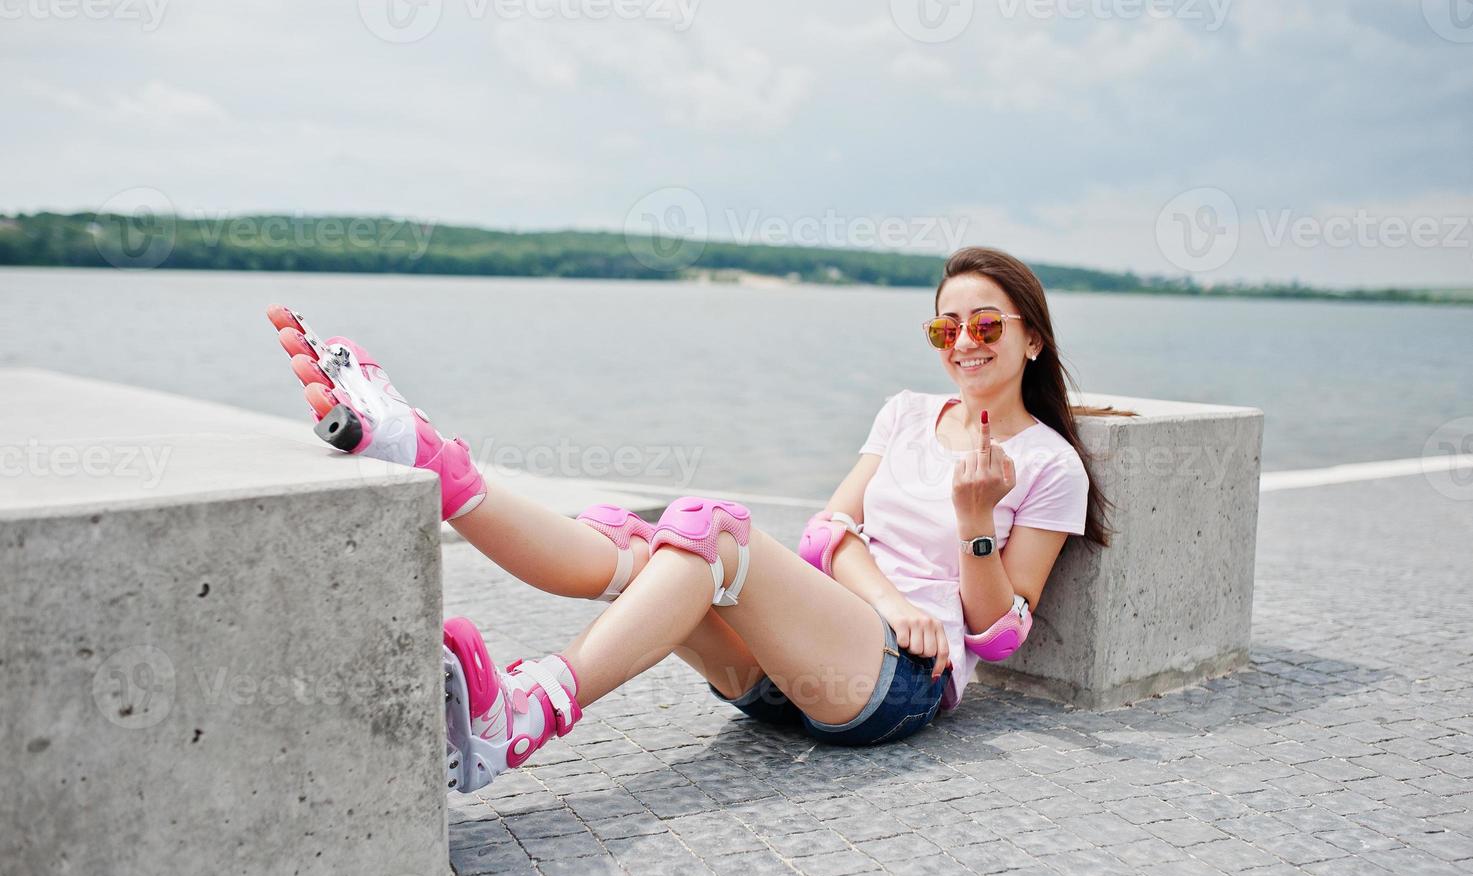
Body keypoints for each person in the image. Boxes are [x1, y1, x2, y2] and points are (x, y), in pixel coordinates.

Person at [267, 246, 1107, 794]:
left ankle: (523, 714)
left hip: (892, 686)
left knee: (714, 530)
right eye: (945, 324)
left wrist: (973, 523)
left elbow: (999, 634)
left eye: (985, 324)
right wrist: (886, 598)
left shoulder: (1046, 464)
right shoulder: (904, 414)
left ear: (1031, 339)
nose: (963, 341)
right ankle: (429, 458)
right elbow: (826, 533)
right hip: (783, 665)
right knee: (638, 540)